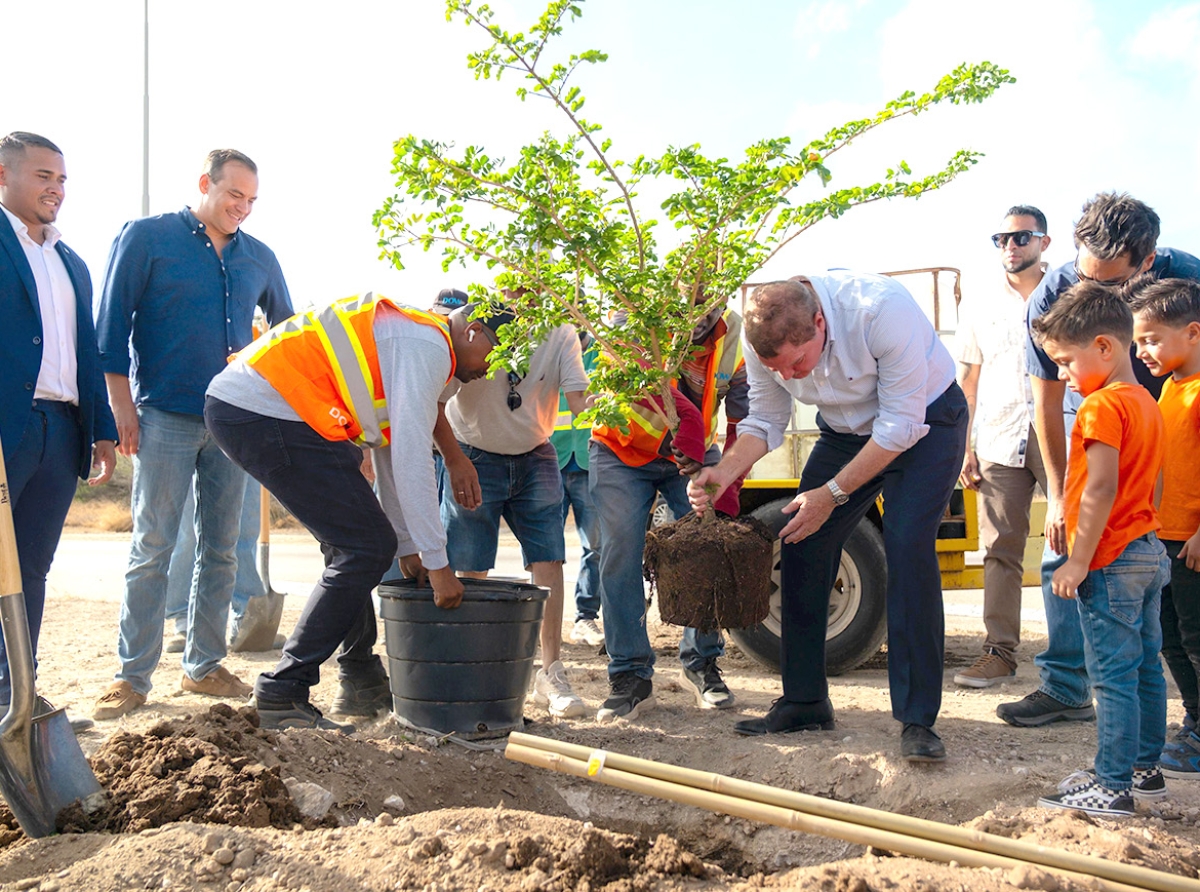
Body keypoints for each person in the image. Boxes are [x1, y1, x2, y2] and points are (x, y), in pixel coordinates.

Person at [688, 273, 967, 762]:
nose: (793, 378)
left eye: (798, 363)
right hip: (847, 432)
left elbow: (900, 427)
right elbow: (765, 422)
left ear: (819, 322)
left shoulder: (880, 311)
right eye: (782, 371)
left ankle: (917, 719)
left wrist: (833, 493)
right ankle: (805, 700)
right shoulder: (764, 340)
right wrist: (724, 471)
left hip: (925, 425)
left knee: (906, 548)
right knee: (799, 540)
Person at [205, 295, 495, 731]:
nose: (487, 371)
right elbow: (413, 458)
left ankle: (352, 677)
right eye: (493, 356)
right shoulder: (431, 348)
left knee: (362, 543)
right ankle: (283, 690)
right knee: (363, 547)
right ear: (473, 331)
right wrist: (438, 563)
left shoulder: (417, 337)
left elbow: (391, 449)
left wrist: (410, 546)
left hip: (275, 412)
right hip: (264, 410)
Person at [93, 149, 293, 720]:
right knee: (153, 547)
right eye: (235, 196)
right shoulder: (147, 238)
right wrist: (120, 409)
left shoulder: (260, 257)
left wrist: (261, 376)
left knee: (222, 549)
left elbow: (287, 334)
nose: (243, 209)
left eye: (252, 201)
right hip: (161, 416)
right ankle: (131, 677)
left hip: (234, 423)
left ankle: (202, 667)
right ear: (205, 183)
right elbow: (109, 330)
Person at [1000, 192, 1200, 727]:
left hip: (1167, 408)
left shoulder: (1186, 279)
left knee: (1157, 545)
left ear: (1148, 261)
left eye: (1109, 285)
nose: (1092, 292)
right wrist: (1060, 496)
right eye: (1086, 276)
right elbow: (1044, 396)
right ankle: (1066, 684)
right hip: (1084, 409)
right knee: (1063, 542)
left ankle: (1157, 683)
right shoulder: (1051, 295)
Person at [1031, 283, 1168, 816]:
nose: (1063, 376)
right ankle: (1144, 770)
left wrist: (1079, 559)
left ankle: (1111, 786)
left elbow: (1100, 488)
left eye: (1066, 363)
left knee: (1110, 676)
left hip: (1110, 559)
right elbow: (1152, 485)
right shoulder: (1146, 403)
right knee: (1145, 667)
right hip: (1147, 550)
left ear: (1106, 348)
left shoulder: (1099, 407)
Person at [0, 131, 117, 734]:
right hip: (6, 428)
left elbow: (86, 351)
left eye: (63, 179)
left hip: (60, 428)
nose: (56, 189)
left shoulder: (72, 262)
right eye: (44, 176)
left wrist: (100, 427)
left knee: (31, 569)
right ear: (4, 176)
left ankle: (17, 692)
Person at [590, 298, 748, 723]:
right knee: (620, 555)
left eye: (710, 306)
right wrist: (687, 433)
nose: (700, 316)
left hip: (694, 451)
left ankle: (702, 663)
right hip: (621, 449)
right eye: (691, 305)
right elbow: (645, 391)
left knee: (711, 544)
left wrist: (729, 474)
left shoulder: (731, 330)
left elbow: (743, 415)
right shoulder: (632, 314)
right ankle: (630, 677)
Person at [437, 308, 591, 719]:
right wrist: (452, 459)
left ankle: (550, 673)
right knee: (470, 565)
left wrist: (614, 406)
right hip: (472, 452)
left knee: (549, 558)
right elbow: (435, 398)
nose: (524, 289)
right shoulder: (471, 323)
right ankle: (471, 670)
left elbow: (579, 400)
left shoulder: (560, 330)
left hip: (535, 452)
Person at [953, 207, 1050, 687]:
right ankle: (999, 654)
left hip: (1058, 432)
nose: (1010, 246)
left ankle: (1084, 660)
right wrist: (964, 447)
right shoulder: (978, 301)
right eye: (1002, 238)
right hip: (998, 433)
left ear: (1043, 243)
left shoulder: (1068, 292)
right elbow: (968, 378)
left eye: (1021, 237)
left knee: (1078, 539)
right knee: (1001, 548)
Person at [1132, 279, 1200, 777]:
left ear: (1193, 332)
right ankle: (1196, 720)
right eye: (1138, 341)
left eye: (1152, 339)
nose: (1142, 351)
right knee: (1171, 638)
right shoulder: (1168, 390)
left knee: (1197, 638)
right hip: (1168, 539)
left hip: (1195, 542)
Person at [163, 474, 276, 653]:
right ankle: (185, 621)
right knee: (190, 535)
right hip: (191, 448)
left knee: (245, 529)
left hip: (250, 449)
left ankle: (245, 621)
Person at [551, 330, 605, 648]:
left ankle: (586, 617)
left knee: (595, 546)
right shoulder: (547, 350)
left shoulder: (603, 355)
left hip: (590, 460)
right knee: (545, 550)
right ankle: (545, 620)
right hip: (549, 460)